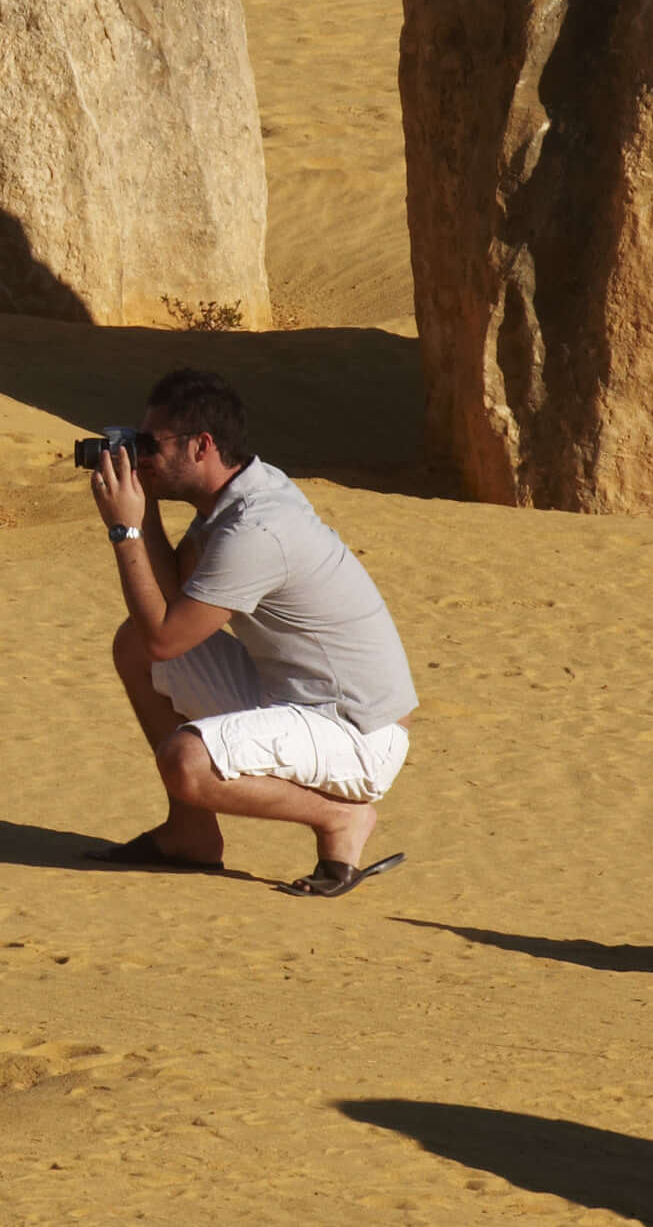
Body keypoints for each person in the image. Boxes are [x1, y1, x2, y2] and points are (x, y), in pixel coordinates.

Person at [86, 366, 419, 899]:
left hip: (356, 732)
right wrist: (142, 509)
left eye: (152, 444)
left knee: (186, 761)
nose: (142, 454)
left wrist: (124, 529)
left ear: (202, 446)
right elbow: (171, 602)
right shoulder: (241, 494)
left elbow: (167, 638)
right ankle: (191, 834)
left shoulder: (256, 529)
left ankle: (340, 818)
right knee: (134, 643)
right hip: (294, 695)